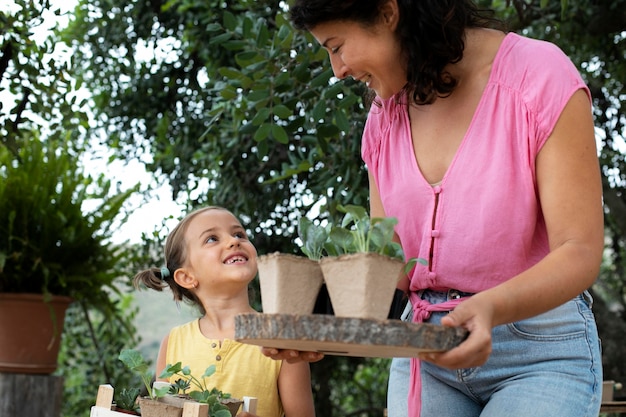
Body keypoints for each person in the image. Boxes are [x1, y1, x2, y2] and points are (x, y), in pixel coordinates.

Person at [265, 1, 605, 416]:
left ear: (389, 12)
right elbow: (392, 270)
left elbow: (580, 251)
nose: (338, 69)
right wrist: (316, 326)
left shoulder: (539, 74)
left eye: (336, 46)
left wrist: (491, 307)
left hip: (538, 352)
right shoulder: (384, 118)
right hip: (424, 356)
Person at [134, 206, 316, 417]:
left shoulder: (281, 338)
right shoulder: (172, 343)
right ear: (186, 277)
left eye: (239, 234)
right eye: (212, 239)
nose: (233, 241)